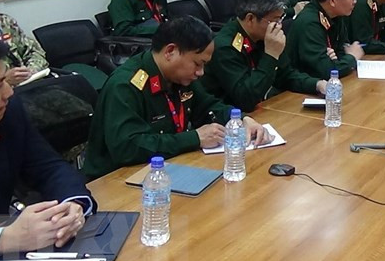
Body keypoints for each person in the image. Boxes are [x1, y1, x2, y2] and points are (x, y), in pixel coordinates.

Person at [0, 28, 95, 261]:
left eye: (7, 80)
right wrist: (4, 239)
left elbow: (48, 166)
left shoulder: (5, 112)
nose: (10, 93)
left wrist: (73, 205)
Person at [83, 16, 271, 179]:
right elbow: (128, 148)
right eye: (197, 64)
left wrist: (240, 119)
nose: (201, 73)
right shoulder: (125, 86)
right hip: (117, 180)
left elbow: (208, 106)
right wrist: (194, 138)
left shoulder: (178, 77)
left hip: (165, 169)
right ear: (170, 52)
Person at [202, 0, 327, 112]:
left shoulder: (263, 36)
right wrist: (270, 56)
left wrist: (317, 84)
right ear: (250, 18)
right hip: (232, 120)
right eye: (275, 20)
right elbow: (246, 98)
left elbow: (286, 76)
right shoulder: (225, 47)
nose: (279, 26)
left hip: (263, 109)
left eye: (281, 19)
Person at [284, 0, 364, 79]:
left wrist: (339, 61)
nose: (355, 1)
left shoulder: (336, 15)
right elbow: (327, 71)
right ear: (333, 0)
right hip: (298, 90)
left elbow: (341, 52)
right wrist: (352, 57)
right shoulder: (309, 23)